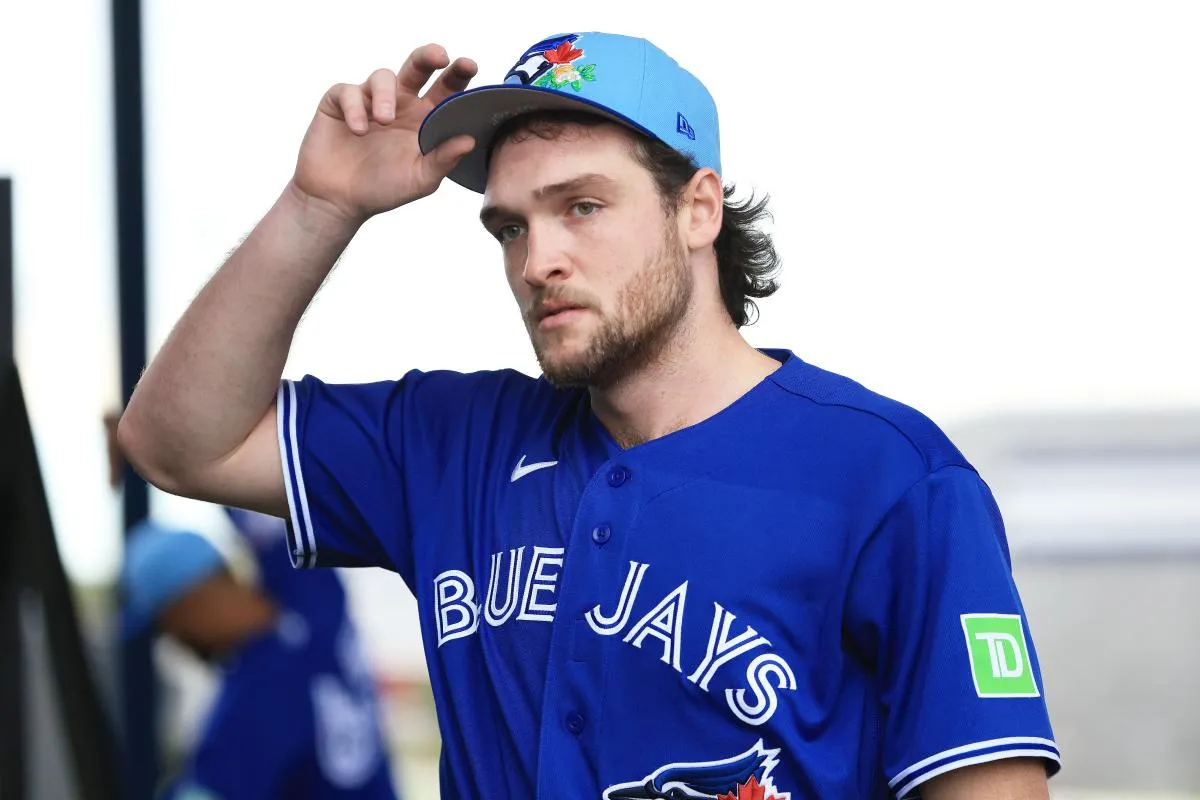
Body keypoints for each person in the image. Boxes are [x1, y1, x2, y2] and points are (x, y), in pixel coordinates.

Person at [118, 31, 1060, 799]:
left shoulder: (891, 475)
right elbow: (176, 443)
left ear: (698, 211)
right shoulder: (453, 439)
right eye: (512, 225)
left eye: (582, 206)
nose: (537, 262)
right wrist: (319, 205)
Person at [115, 411, 400, 799]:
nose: (174, 641)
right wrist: (147, 452)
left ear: (189, 603)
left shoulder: (252, 701)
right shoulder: (314, 593)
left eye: (167, 624)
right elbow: (241, 473)